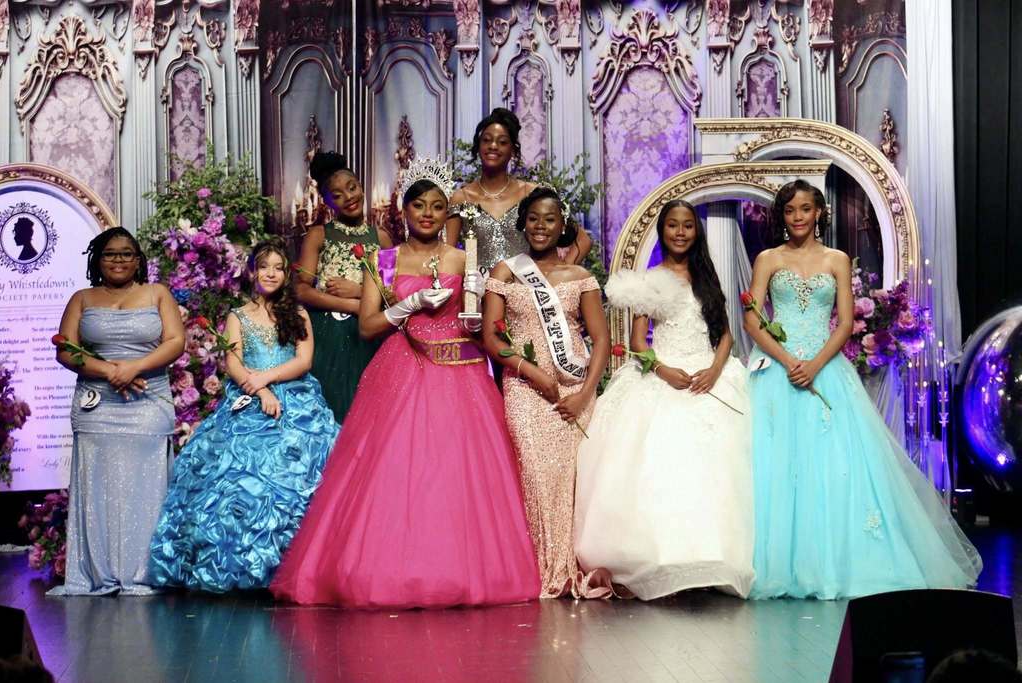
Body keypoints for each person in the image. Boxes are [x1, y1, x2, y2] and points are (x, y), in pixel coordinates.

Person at [270, 158, 540, 608]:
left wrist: (473, 313)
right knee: (396, 470)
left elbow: (478, 323)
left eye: (437, 206)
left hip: (459, 370)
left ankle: (457, 569)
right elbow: (369, 326)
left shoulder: (463, 258)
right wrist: (409, 304)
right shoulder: (384, 259)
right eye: (419, 206)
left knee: (455, 473)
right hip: (402, 365)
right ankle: (390, 567)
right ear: (405, 210)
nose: (429, 214)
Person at [746, 180, 982, 599]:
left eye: (805, 208)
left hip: (825, 370)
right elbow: (751, 320)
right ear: (782, 216)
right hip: (777, 370)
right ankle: (775, 563)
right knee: (774, 467)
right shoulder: (767, 259)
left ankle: (836, 562)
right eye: (789, 210)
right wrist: (787, 361)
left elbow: (844, 321)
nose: (798, 217)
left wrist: (815, 365)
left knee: (835, 464)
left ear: (819, 212)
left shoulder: (837, 259)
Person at [574, 200, 754, 599]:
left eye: (687, 225)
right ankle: (666, 557)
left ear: (696, 231)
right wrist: (664, 370)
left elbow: (725, 334)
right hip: (667, 374)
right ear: (663, 230)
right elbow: (638, 343)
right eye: (672, 225)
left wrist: (715, 369)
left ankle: (714, 559)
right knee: (662, 464)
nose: (679, 232)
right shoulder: (651, 279)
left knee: (719, 466)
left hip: (708, 374)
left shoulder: (707, 276)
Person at [148, 239, 338, 592]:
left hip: (295, 396)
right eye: (264, 266)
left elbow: (303, 361)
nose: (270, 273)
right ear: (252, 270)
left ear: (286, 275)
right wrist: (259, 390)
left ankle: (295, 568)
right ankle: (238, 566)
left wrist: (267, 378)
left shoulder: (297, 314)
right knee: (232, 473)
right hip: (249, 396)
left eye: (278, 268)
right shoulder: (237, 316)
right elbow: (231, 361)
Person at [483, 187, 610, 598]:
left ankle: (569, 566)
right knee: (535, 476)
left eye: (549, 219)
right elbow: (489, 336)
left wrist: (584, 393)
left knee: (571, 481)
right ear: (523, 223)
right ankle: (540, 570)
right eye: (533, 218)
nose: (540, 226)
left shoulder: (581, 278)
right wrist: (530, 371)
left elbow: (601, 341)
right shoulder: (505, 271)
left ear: (563, 226)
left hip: (573, 390)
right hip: (524, 388)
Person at [50, 227, 184, 596]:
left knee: (146, 483)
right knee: (99, 484)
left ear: (138, 260)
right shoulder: (82, 298)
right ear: (97, 259)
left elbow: (175, 341)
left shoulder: (158, 294)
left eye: (127, 253)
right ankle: (100, 572)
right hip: (98, 402)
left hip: (148, 400)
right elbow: (65, 349)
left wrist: (135, 368)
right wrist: (111, 370)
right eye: (110, 253)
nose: (119, 260)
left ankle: (145, 570)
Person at [293, 151, 390, 421]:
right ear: (326, 201)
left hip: (369, 336)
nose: (349, 197)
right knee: (329, 409)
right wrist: (351, 305)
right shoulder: (317, 235)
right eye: (337, 195)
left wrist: (360, 292)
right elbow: (301, 290)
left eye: (352, 188)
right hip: (327, 336)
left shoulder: (382, 238)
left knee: (367, 413)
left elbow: (393, 294)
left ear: (361, 187)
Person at [446, 108, 591, 273]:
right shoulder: (461, 197)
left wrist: (557, 273)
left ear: (513, 150)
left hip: (525, 290)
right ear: (478, 146)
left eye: (502, 142)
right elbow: (447, 253)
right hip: (480, 294)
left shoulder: (532, 193)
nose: (493, 146)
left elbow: (583, 239)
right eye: (486, 140)